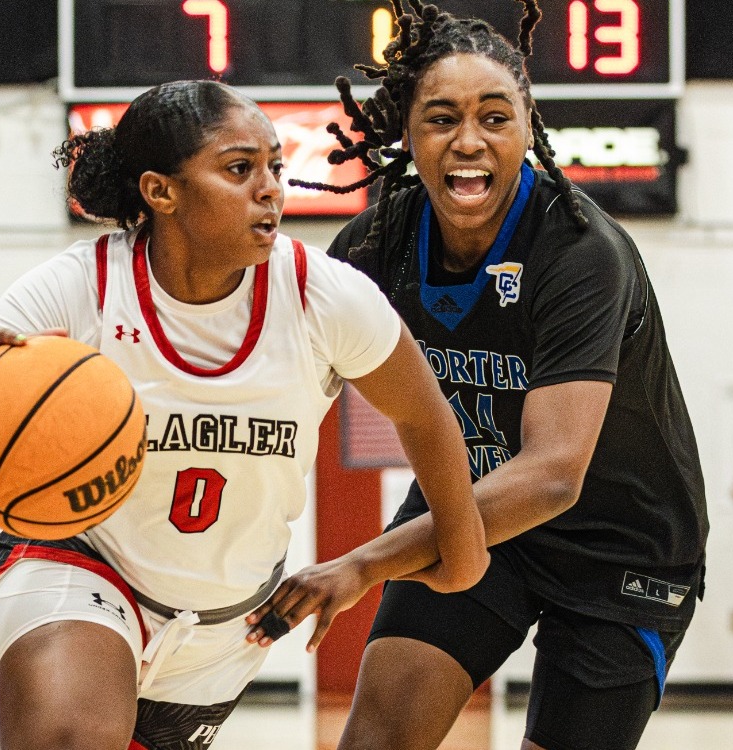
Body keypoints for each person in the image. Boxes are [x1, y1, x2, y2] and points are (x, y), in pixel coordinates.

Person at [0, 79, 489, 750]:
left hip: (222, 624)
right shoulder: (77, 289)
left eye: (274, 167)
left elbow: (423, 414)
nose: (270, 189)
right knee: (71, 736)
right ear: (161, 192)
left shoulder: (323, 296)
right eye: (240, 169)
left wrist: (461, 556)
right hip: (71, 559)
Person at [279, 3, 710, 749]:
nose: (468, 141)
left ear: (526, 127)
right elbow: (268, 374)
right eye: (441, 118)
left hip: (618, 547)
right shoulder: (377, 244)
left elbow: (552, 477)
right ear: (407, 132)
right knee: (376, 740)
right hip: (470, 506)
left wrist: (362, 564)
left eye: (494, 117)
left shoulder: (579, 250)